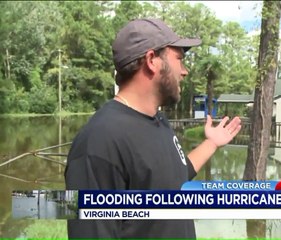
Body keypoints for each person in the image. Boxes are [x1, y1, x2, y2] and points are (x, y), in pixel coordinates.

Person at [64, 18, 241, 238]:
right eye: (179, 59)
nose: (184, 71)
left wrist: (211, 143)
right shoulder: (99, 143)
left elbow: (174, 176)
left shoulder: (158, 120)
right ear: (151, 60)